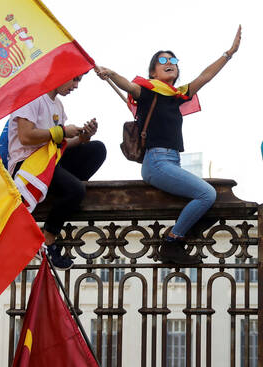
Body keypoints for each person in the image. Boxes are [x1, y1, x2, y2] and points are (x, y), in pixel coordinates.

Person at [95, 27, 241, 266]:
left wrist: (229, 53)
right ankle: (172, 243)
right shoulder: (148, 92)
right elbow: (128, 86)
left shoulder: (178, 95)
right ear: (153, 71)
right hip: (156, 162)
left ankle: (185, 233)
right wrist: (111, 73)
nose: (169, 62)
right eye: (162, 60)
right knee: (207, 193)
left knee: (216, 201)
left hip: (173, 161)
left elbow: (205, 76)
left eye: (173, 60)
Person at [8, 74, 106, 269]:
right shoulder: (32, 95)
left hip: (50, 161)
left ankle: (61, 190)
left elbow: (61, 144)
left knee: (97, 149)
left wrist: (84, 136)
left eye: (79, 81)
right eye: (74, 79)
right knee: (76, 190)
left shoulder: (57, 105)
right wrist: (60, 132)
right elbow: (26, 136)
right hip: (27, 164)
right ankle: (48, 239)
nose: (76, 86)